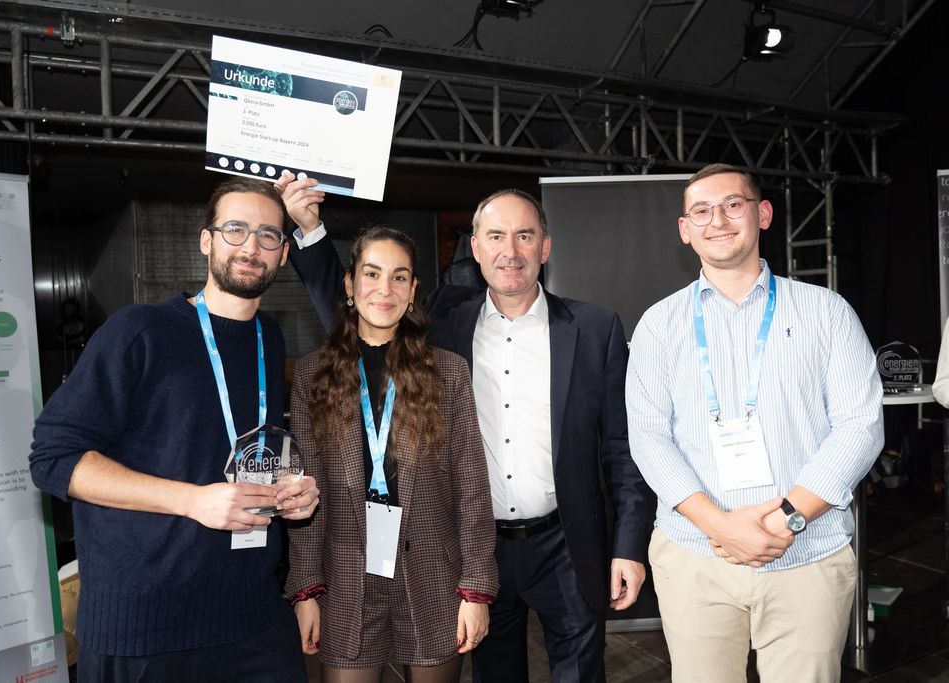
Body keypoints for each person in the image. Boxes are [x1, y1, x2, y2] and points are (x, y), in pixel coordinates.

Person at [277, 172, 653, 683]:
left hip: (566, 543)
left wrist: (629, 545)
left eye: (524, 236)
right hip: (475, 547)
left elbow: (621, 449)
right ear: (476, 248)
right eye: (496, 237)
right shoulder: (448, 322)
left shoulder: (594, 328)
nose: (511, 251)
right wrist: (309, 228)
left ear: (546, 247)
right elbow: (361, 308)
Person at [29, 177, 320, 683]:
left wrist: (291, 491)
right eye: (235, 229)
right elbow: (52, 459)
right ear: (206, 241)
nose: (251, 246)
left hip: (249, 612)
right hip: (147, 627)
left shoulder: (268, 338)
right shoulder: (138, 331)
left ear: (281, 256)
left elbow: (228, 447)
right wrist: (192, 500)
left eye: (269, 235)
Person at [625, 163, 884, 682]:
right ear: (685, 229)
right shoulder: (658, 324)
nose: (717, 219)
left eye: (733, 204)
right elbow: (649, 438)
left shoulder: (827, 312)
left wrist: (786, 519)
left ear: (761, 214)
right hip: (697, 555)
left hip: (806, 552)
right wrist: (722, 526)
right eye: (701, 210)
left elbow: (860, 427)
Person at [285, 226, 498, 682]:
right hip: (343, 577)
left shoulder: (449, 372)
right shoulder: (311, 375)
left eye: (400, 277)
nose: (385, 289)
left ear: (413, 290)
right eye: (372, 274)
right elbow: (303, 494)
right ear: (349, 284)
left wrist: (476, 590)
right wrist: (305, 589)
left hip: (435, 574)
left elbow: (473, 488)